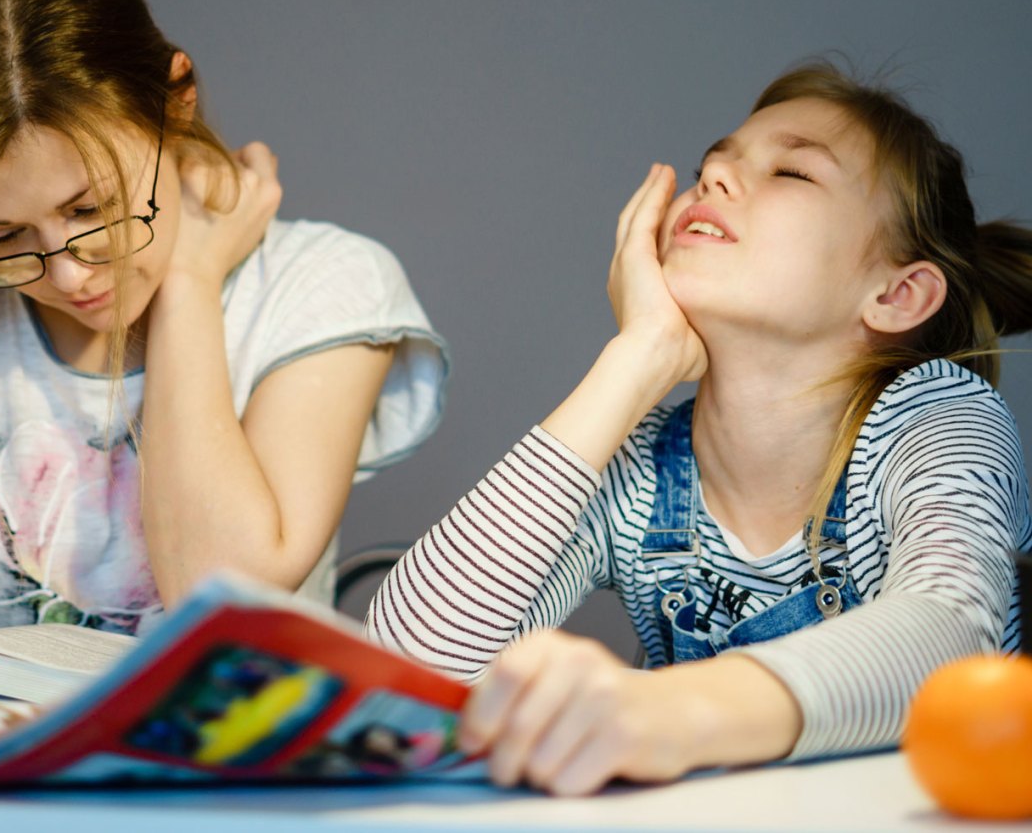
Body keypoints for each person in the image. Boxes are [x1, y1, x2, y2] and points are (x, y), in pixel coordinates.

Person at [366, 61, 1032, 795]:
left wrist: (662, 710)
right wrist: (632, 361)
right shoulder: (640, 466)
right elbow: (403, 670)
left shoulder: (938, 417)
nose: (713, 178)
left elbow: (951, 635)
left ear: (897, 294)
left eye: (791, 173)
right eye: (710, 166)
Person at [0, 0, 447, 635]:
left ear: (175, 99)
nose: (65, 273)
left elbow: (221, 595)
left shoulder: (321, 285)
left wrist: (190, 278)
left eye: (91, 210)